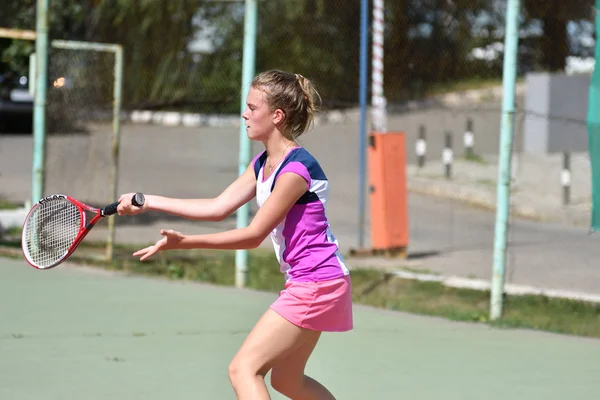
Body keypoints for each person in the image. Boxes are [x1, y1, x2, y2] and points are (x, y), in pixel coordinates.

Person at [116, 69, 353, 400]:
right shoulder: (263, 164)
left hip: (316, 283)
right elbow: (218, 207)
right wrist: (148, 202)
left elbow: (254, 235)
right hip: (319, 281)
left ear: (277, 116)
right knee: (288, 381)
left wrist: (186, 242)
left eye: (253, 108)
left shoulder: (297, 170)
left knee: (243, 369)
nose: (244, 114)